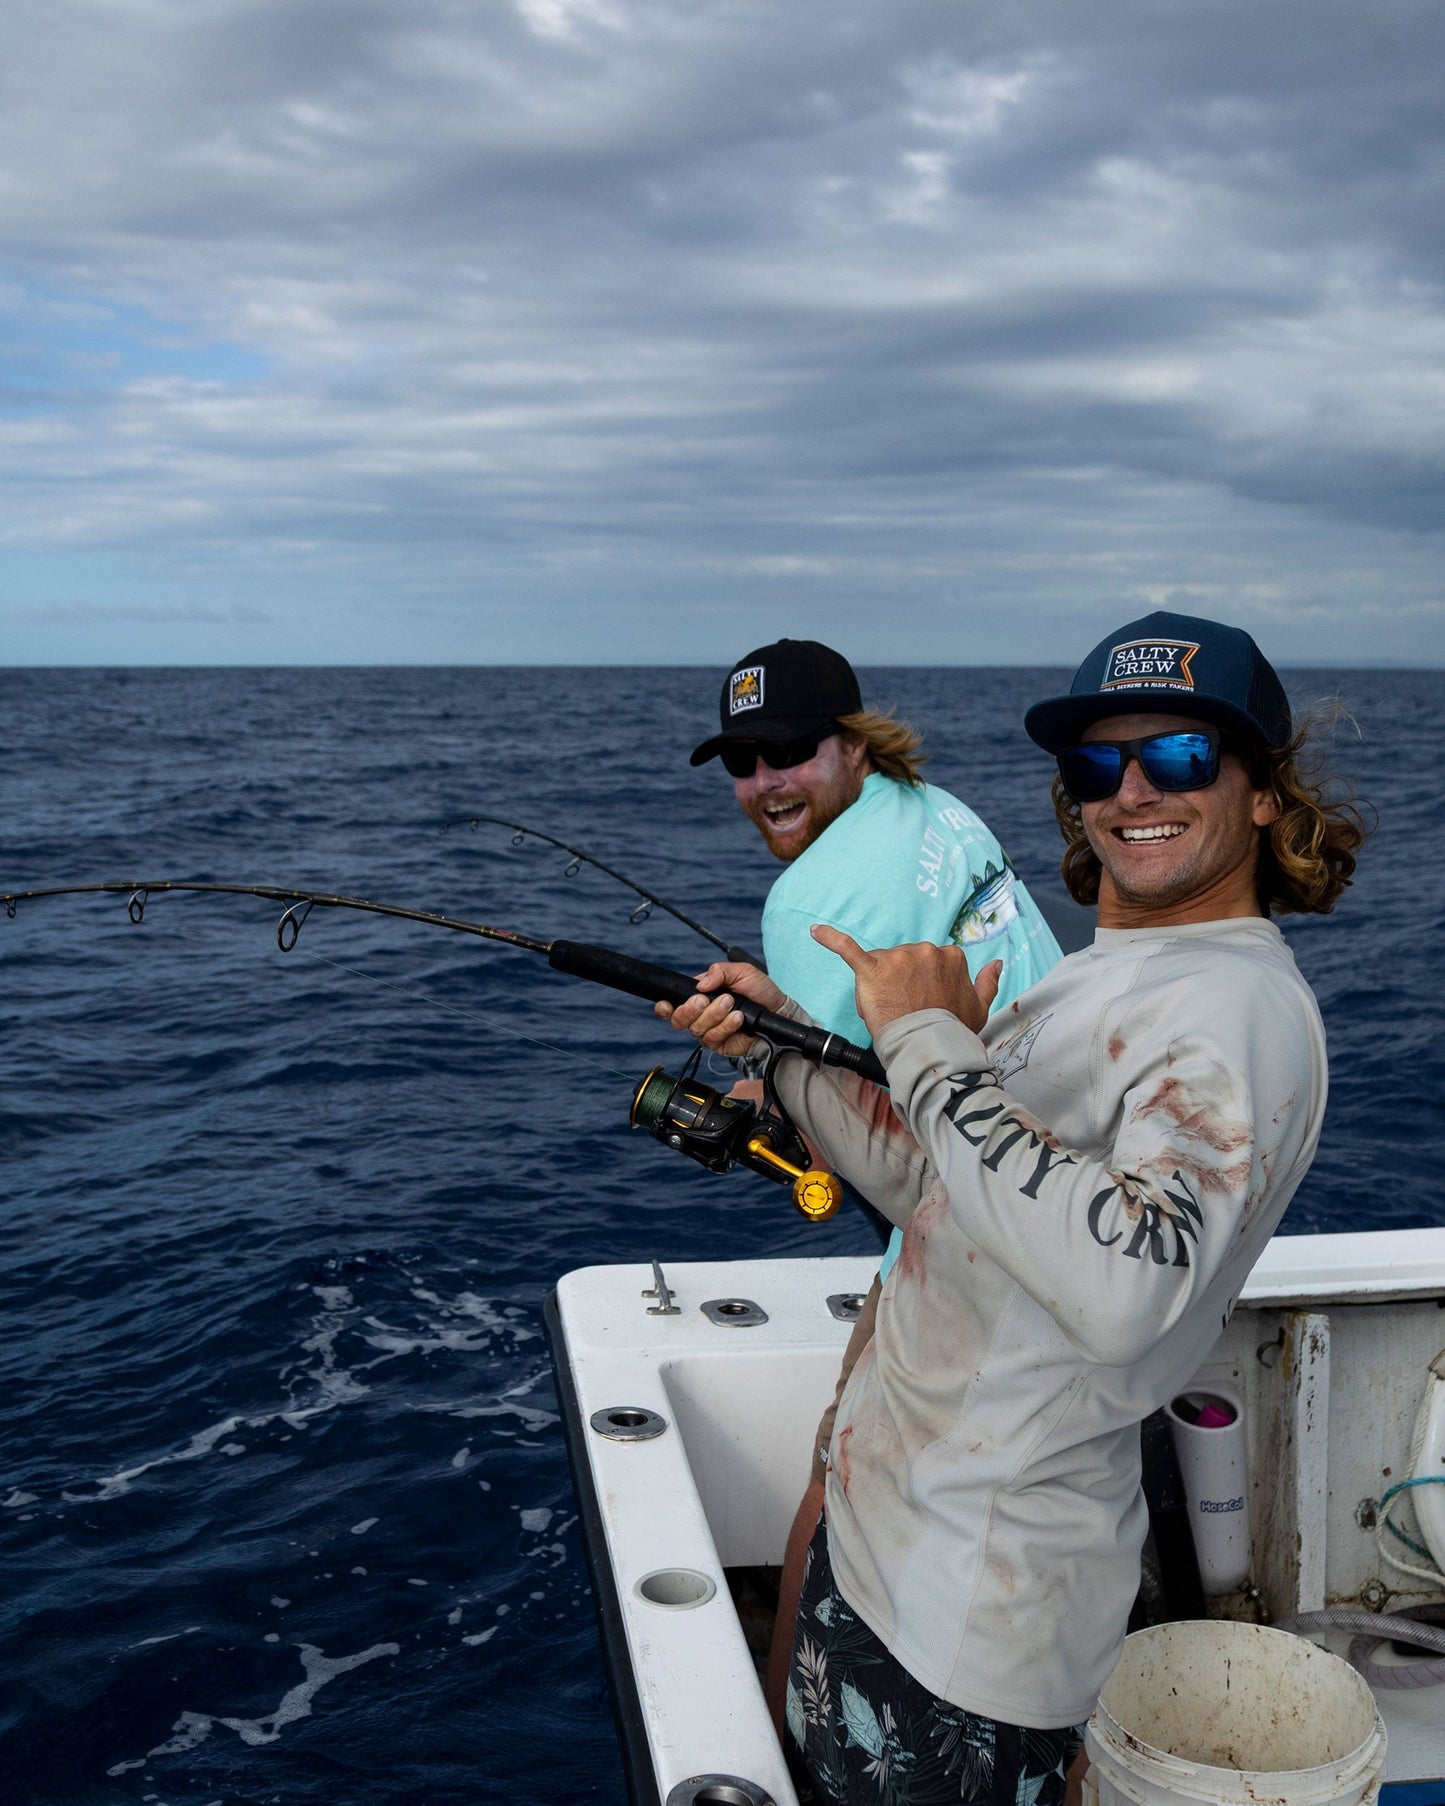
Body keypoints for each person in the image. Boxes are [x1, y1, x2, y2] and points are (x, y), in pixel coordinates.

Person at [665, 610, 1367, 1806]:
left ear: (1262, 793)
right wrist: (781, 1043)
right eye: (1095, 765)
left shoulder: (1233, 1010)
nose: (1130, 791)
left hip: (971, 1627)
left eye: (1179, 756)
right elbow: (940, 1187)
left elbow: (1126, 1286)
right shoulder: (1109, 970)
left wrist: (924, 1038)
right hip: (889, 1547)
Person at [690, 636, 1064, 1726]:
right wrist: (783, 1043)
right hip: (1058, 1169)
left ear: (851, 745)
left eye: (789, 752)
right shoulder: (936, 811)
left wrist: (764, 1071)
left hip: (971, 1232)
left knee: (833, 1479)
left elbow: (860, 1147)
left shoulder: (809, 902)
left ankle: (786, 1744)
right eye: (741, 761)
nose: (764, 782)